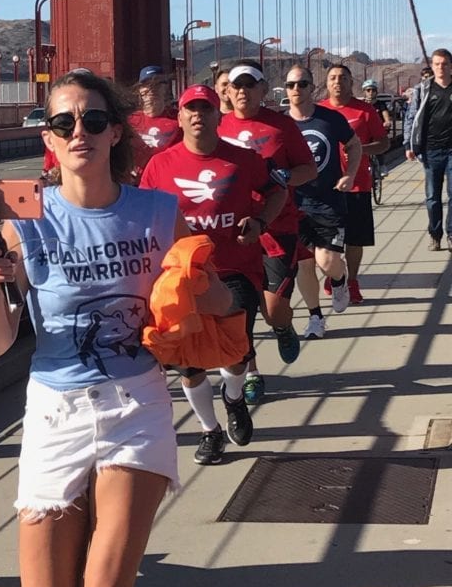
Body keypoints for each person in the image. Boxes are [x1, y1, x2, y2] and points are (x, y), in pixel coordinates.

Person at [0, 70, 232, 587]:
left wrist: (196, 283)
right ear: (49, 140)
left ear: (116, 130)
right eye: (64, 123)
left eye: (93, 120)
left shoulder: (157, 210)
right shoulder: (25, 220)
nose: (79, 132)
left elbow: (222, 301)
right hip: (53, 412)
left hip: (134, 405)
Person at [139, 84, 287, 464]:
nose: (198, 115)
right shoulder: (160, 165)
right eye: (191, 109)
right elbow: (140, 215)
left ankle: (234, 398)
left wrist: (260, 220)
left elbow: (277, 192)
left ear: (217, 116)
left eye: (206, 109)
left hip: (234, 268)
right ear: (180, 116)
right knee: (188, 362)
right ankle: (210, 431)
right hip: (181, 275)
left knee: (235, 352)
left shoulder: (243, 159)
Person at [219, 60, 317, 403]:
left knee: (273, 309)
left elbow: (309, 168)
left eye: (250, 85)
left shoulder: (282, 126)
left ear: (263, 90)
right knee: (240, 312)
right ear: (228, 92)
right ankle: (252, 373)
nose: (243, 91)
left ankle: (282, 327)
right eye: (237, 86)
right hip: (234, 232)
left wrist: (288, 178)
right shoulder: (217, 127)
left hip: (278, 226)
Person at [285, 65, 362, 339]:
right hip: (295, 204)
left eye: (302, 84)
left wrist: (349, 175)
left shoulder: (330, 119)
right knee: (305, 265)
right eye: (291, 85)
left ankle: (339, 280)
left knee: (327, 262)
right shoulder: (282, 125)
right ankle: (315, 317)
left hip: (328, 201)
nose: (296, 89)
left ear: (311, 87)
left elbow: (355, 145)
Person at [319, 65, 390, 302]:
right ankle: (334, 275)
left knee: (354, 239)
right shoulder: (318, 111)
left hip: (358, 184)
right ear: (327, 83)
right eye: (333, 78)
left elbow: (383, 144)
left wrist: (361, 149)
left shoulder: (365, 110)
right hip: (325, 187)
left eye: (343, 78)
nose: (337, 81)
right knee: (328, 239)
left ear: (351, 82)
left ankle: (352, 281)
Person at [405, 48, 452, 251]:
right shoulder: (423, 89)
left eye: (445, 64)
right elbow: (411, 117)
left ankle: (451, 234)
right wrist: (408, 144)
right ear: (432, 66)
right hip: (430, 150)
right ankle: (435, 234)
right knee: (433, 197)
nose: (441, 67)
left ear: (451, 66)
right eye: (437, 64)